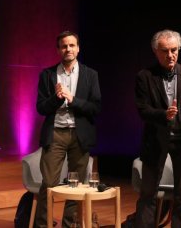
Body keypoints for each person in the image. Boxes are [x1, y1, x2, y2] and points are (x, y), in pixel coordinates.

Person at [134, 29, 181, 228]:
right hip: (156, 140)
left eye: (174, 50)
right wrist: (163, 114)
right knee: (148, 194)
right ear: (155, 51)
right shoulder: (145, 76)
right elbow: (143, 110)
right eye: (165, 51)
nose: (170, 55)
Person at [35, 31, 102, 227]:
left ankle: (69, 224)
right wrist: (57, 98)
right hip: (55, 133)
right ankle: (43, 224)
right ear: (58, 50)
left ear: (78, 48)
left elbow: (96, 108)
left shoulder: (91, 75)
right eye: (64, 46)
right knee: (48, 183)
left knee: (76, 185)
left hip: (80, 135)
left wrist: (73, 100)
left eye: (72, 45)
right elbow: (40, 107)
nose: (68, 49)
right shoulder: (47, 75)